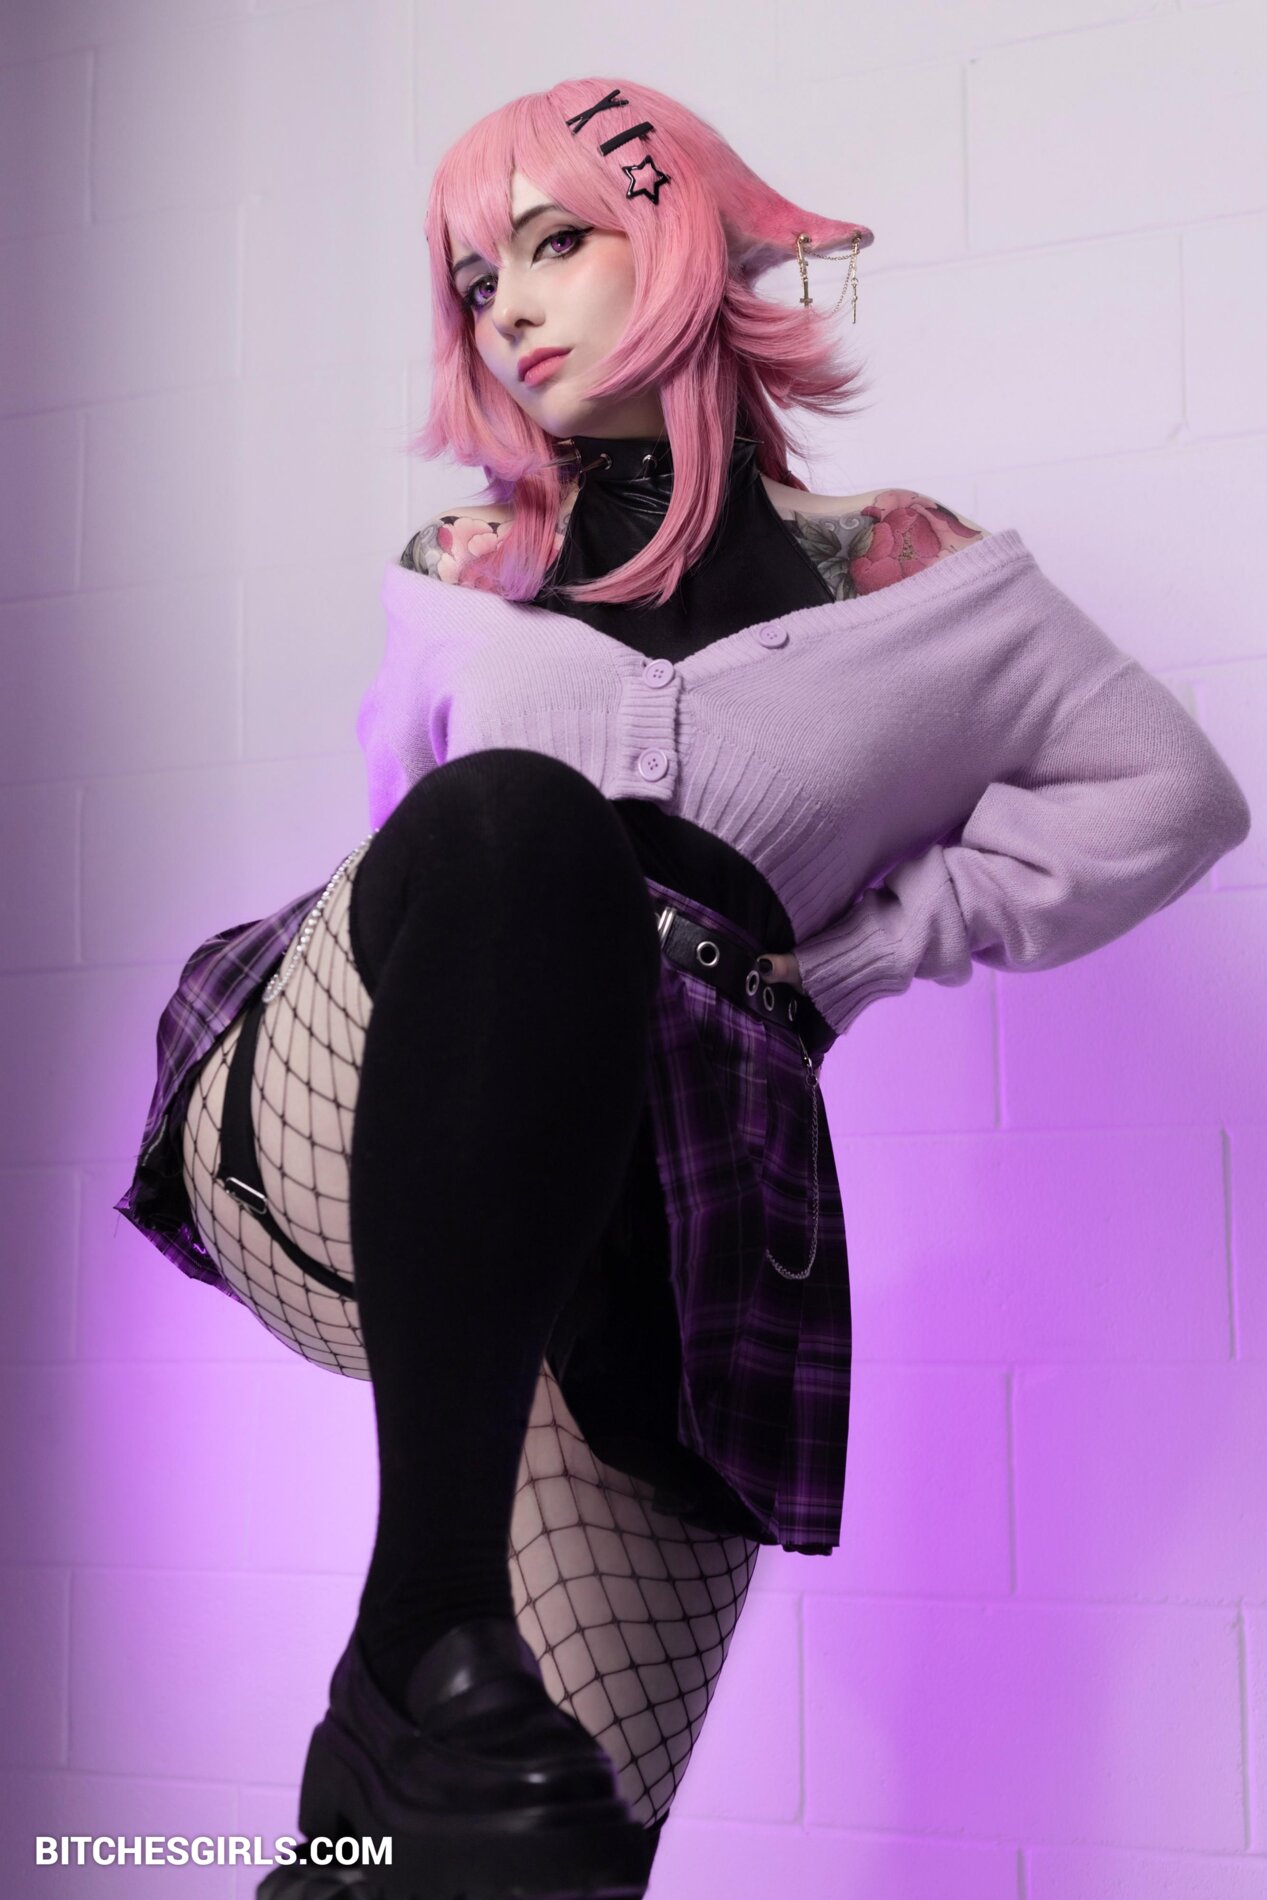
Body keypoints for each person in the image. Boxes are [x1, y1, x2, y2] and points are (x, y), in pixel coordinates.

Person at [113, 76, 1251, 1900]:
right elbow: (416, 869)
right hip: (356, 1131)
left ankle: (366, 1795)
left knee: (531, 1859)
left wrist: (861, 957)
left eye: (553, 243)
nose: (509, 306)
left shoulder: (908, 576)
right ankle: (414, 1635)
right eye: (477, 278)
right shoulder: (464, 573)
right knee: (515, 831)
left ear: (688, 240)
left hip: (677, 1220)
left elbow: (1171, 792)